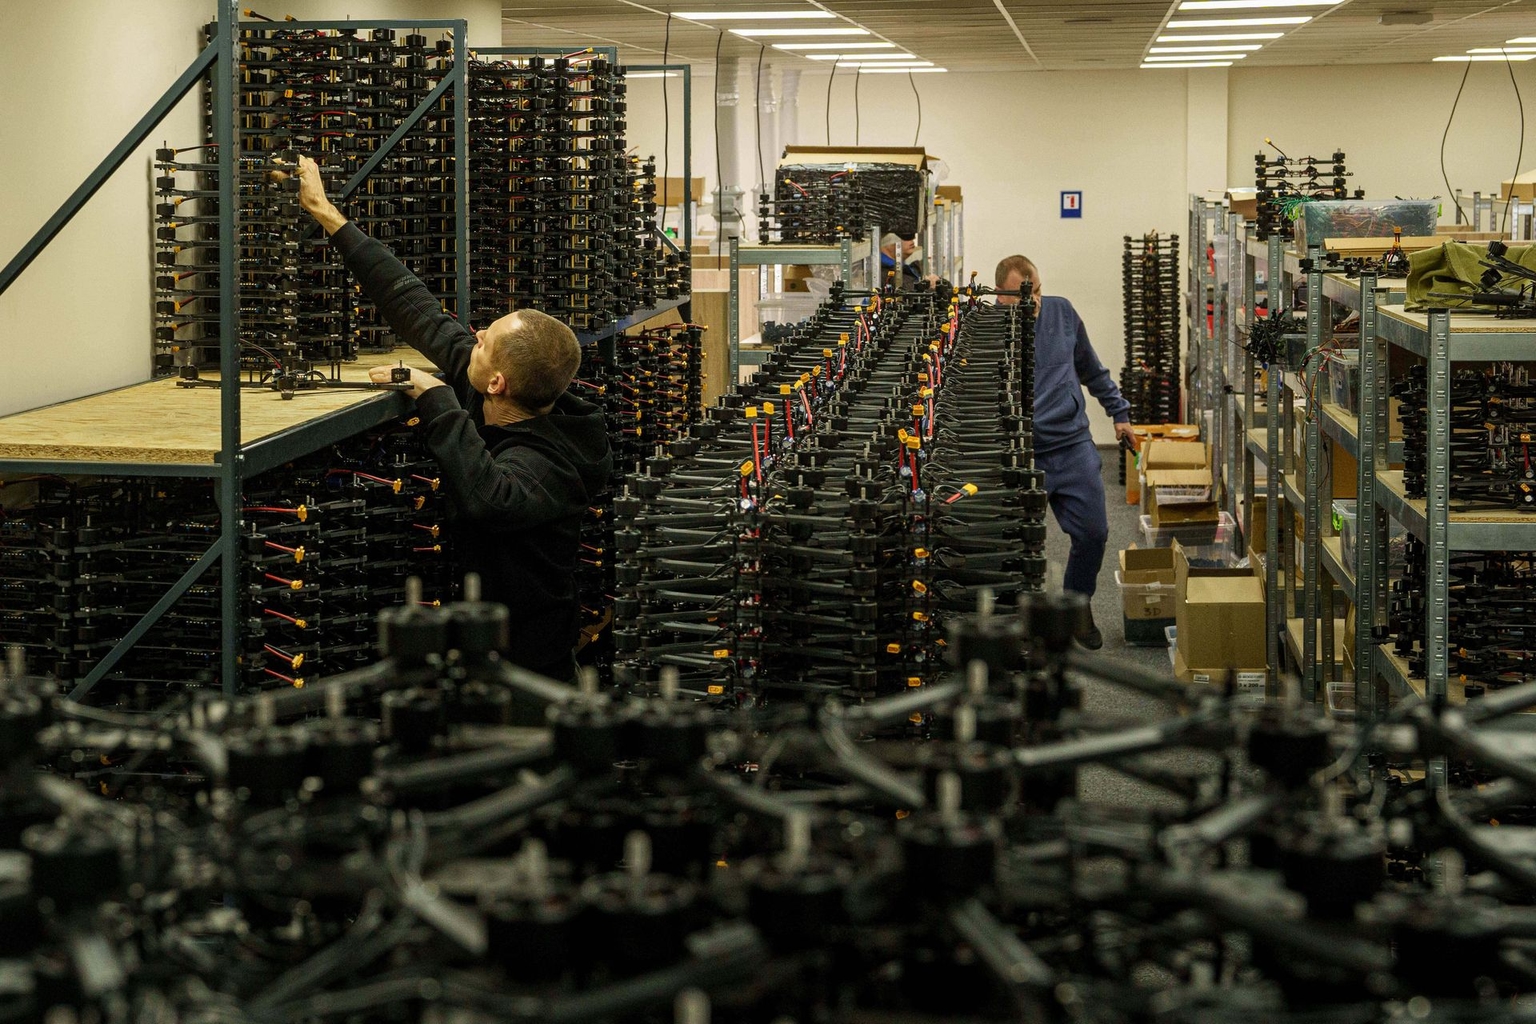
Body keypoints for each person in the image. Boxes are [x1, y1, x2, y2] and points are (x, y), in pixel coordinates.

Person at [292, 155, 613, 680]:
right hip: (478, 647)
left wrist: (435, 395)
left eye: (485, 341)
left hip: (531, 664)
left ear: (497, 384)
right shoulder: (501, 390)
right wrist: (327, 214)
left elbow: (491, 498)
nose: (475, 336)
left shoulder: (556, 464)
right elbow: (415, 306)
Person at [995, 255, 1134, 650]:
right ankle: (1019, 623)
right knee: (1015, 545)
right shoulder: (987, 328)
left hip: (1072, 445)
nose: (1035, 300)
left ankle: (1077, 606)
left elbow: (1091, 369)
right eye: (1024, 294)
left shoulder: (1062, 312)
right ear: (1001, 297)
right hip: (1021, 454)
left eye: (1037, 289)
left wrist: (1119, 413)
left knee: (1094, 533)